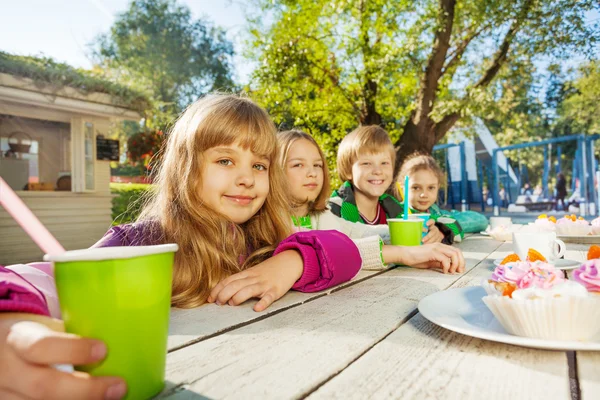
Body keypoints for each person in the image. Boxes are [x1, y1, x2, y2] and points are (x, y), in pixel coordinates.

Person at [0, 94, 363, 399]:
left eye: (259, 165)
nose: (246, 178)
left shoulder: (265, 241)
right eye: (225, 160)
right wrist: (10, 319)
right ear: (186, 168)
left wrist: (291, 263)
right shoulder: (139, 243)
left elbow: (346, 250)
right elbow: (26, 279)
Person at [279, 129, 464, 273]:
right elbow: (334, 251)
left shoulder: (322, 214)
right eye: (298, 165)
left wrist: (432, 231)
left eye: (317, 165)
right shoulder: (331, 208)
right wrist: (403, 253)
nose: (312, 172)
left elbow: (359, 231)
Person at [329, 126, 446, 242]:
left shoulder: (393, 208)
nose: (378, 171)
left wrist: (438, 231)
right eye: (366, 163)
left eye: (384, 163)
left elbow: (445, 220)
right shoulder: (333, 209)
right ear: (348, 170)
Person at [394, 154, 465, 242]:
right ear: (402, 187)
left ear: (438, 187)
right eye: (416, 187)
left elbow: (459, 230)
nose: (424, 195)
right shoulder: (396, 211)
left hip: (443, 213)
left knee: (479, 221)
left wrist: (441, 232)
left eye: (431, 188)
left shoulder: (435, 212)